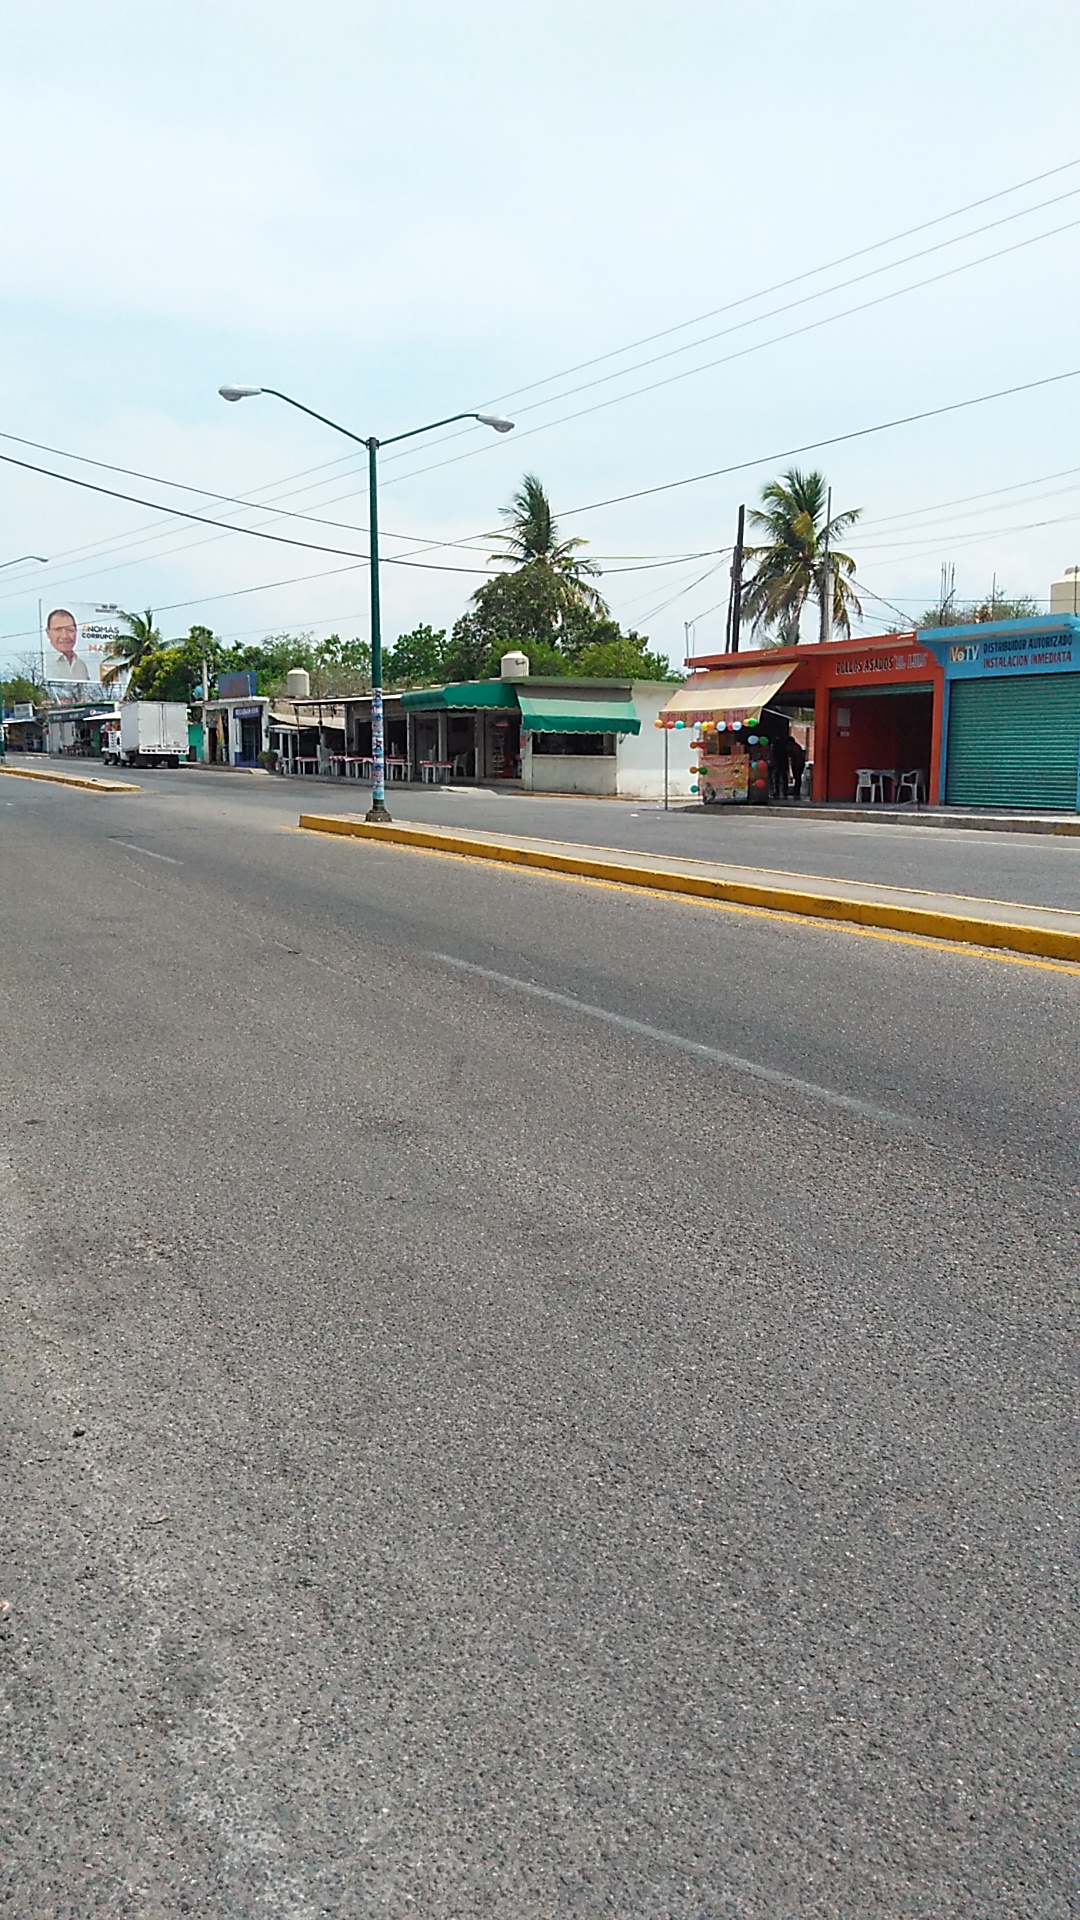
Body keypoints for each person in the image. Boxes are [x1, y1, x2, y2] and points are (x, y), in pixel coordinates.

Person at [45, 609, 89, 681]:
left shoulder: (81, 665)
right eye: (58, 630)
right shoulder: (42, 663)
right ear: (48, 633)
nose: (65, 636)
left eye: (70, 630)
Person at [770, 732, 790, 800]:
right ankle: (784, 791)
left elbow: (773, 754)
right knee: (783, 777)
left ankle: (777, 791)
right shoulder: (784, 745)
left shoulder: (775, 745)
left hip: (777, 762)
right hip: (783, 761)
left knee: (777, 777)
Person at [788, 734, 807, 800]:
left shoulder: (794, 748)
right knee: (797, 778)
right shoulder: (796, 747)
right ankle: (796, 791)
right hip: (798, 764)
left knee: (797, 778)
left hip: (797, 764)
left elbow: (797, 757)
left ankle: (796, 791)